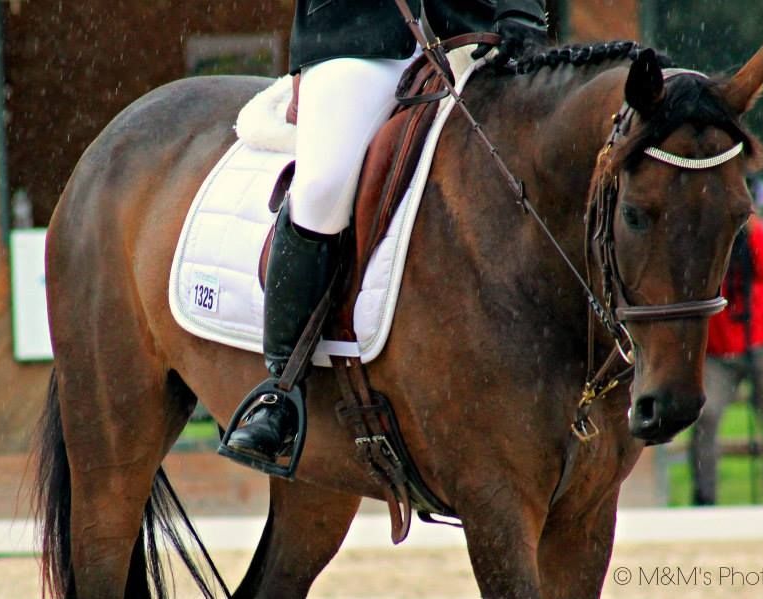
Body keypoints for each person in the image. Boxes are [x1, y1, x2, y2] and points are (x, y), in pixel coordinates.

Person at [224, 1, 549, 466]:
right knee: (323, 189)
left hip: (482, 29)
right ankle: (280, 389)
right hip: (362, 39)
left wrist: (522, 14)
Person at [689, 214, 763, 505]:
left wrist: (753, 229)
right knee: (706, 417)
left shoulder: (749, 234)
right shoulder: (699, 236)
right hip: (717, 350)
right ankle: (705, 499)